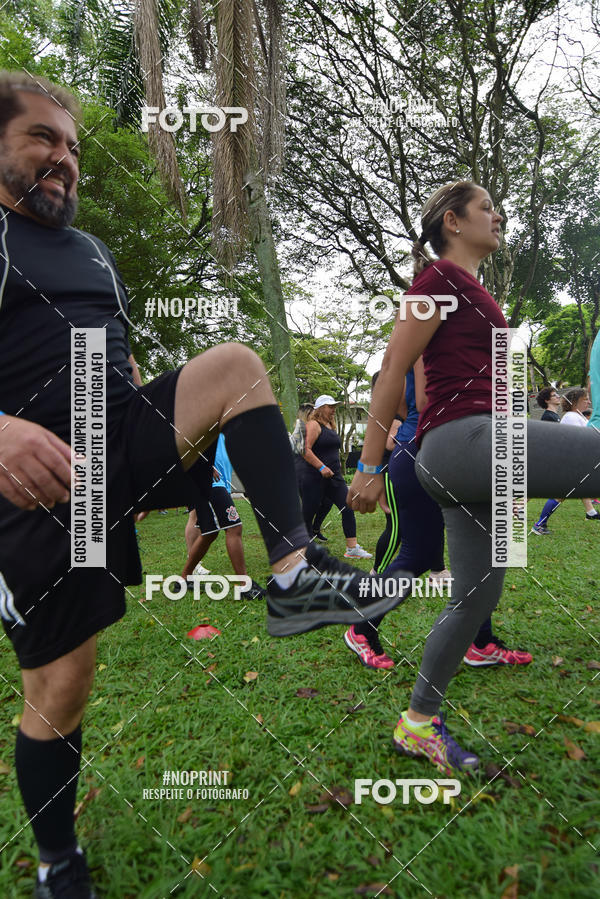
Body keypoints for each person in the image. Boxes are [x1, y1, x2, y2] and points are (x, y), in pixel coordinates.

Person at [0, 72, 408, 898]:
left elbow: (106, 361)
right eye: (43, 138)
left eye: (73, 147)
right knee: (61, 683)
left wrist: (163, 420)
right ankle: (55, 860)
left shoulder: (87, 251)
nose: (65, 159)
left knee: (234, 368)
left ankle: (294, 571)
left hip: (106, 429)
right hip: (32, 482)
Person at [348, 179, 600, 775]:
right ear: (453, 222)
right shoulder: (437, 280)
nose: (498, 215)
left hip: (471, 452)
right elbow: (392, 371)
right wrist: (368, 464)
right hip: (464, 446)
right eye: (486, 207)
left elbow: (432, 387)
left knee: (478, 593)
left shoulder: (475, 290)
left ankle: (417, 724)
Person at [345, 364, 532, 671]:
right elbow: (416, 400)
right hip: (429, 449)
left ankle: (481, 642)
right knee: (420, 554)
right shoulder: (426, 322)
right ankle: (362, 628)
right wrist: (369, 466)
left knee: (477, 554)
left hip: (455, 448)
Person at [179, 434, 264, 599]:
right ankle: (244, 586)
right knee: (234, 527)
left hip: (219, 483)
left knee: (210, 533)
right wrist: (204, 464)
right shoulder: (201, 416)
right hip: (210, 483)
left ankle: (184, 578)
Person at [298, 395, 372, 559]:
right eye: (330, 407)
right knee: (309, 512)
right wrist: (321, 467)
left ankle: (352, 548)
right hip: (313, 476)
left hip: (334, 477)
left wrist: (336, 463)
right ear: (320, 408)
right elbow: (305, 449)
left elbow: (331, 450)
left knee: (347, 506)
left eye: (334, 407)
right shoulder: (313, 425)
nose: (333, 410)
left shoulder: (331, 425)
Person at [290, 402, 333, 540]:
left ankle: (315, 528)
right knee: (310, 504)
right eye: (312, 413)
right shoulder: (300, 428)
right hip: (302, 470)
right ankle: (305, 534)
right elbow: (299, 450)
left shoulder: (318, 427)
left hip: (315, 469)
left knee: (327, 501)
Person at [560, 389, 600, 522]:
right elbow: (579, 438)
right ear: (575, 402)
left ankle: (591, 512)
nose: (589, 402)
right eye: (585, 399)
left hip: (580, 459)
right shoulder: (571, 417)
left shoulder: (579, 416)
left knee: (577, 486)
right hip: (575, 459)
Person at [530, 387, 562, 535]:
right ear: (547, 400)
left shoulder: (555, 416)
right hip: (552, 461)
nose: (558, 397)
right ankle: (539, 525)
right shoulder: (548, 417)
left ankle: (540, 524)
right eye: (554, 395)